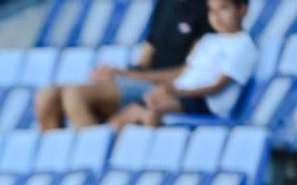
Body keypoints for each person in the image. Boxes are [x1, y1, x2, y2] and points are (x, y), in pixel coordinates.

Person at [34, 0, 211, 130]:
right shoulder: (164, 4)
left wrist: (127, 75)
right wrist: (115, 74)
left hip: (166, 88)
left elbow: (190, 72)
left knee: (75, 95)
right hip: (140, 81)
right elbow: (145, 56)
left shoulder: (207, 11)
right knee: (46, 96)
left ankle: (91, 159)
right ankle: (59, 162)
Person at [117, 0, 254, 128]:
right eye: (212, 11)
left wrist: (179, 92)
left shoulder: (243, 46)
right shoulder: (208, 39)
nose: (216, 17)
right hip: (185, 95)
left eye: (223, 9)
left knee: (153, 111)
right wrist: (167, 87)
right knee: (124, 116)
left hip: (205, 103)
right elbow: (187, 71)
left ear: (242, 9)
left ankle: (150, 149)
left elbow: (217, 87)